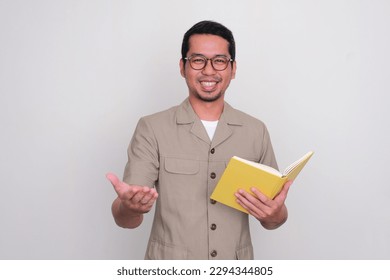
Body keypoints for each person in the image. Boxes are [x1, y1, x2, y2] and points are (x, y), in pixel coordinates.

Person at [107, 20, 292, 260]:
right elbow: (126, 219)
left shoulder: (256, 131)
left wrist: (275, 214)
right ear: (183, 67)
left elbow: (274, 220)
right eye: (197, 60)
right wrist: (129, 208)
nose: (208, 70)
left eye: (219, 60)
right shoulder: (152, 128)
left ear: (233, 69)